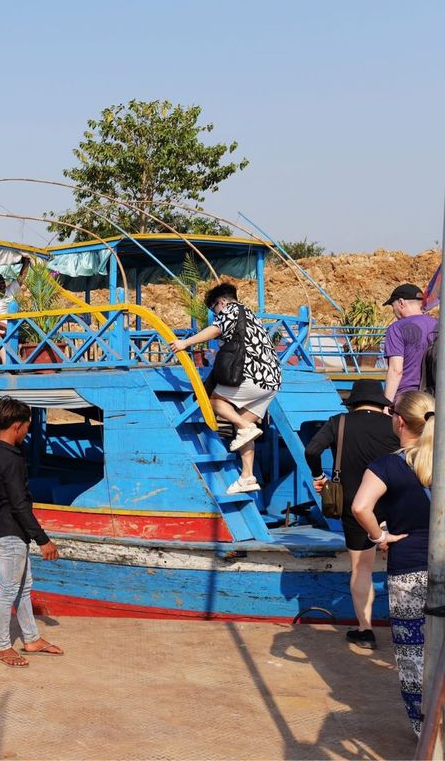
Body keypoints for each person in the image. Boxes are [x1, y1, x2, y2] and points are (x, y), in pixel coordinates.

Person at [351, 390, 435, 737]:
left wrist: (379, 537)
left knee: (413, 656)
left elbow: (360, 507)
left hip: (408, 568)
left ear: (398, 421)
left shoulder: (388, 465)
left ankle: (425, 733)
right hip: (441, 561)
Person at [304, 379, 400, 649]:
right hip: (393, 501)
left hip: (354, 504)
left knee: (362, 568)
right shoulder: (393, 424)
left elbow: (312, 449)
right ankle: (407, 625)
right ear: (381, 403)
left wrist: (318, 475)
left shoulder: (339, 422)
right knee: (402, 566)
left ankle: (365, 630)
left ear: (354, 402)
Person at [168, 282, 282, 494]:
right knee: (244, 430)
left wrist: (185, 343)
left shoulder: (232, 309)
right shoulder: (251, 316)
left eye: (214, 310)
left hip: (254, 376)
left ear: (221, 302)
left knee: (214, 401)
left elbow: (216, 329)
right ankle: (247, 477)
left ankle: (245, 427)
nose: (215, 314)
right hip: (272, 381)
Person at [0, 397, 63, 667]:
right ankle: (2, 646)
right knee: (8, 590)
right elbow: (19, 504)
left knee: (23, 588)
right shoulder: (10, 459)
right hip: (10, 531)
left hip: (5, 527)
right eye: (27, 427)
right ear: (16, 426)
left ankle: (31, 638)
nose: (27, 432)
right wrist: (44, 540)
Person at [382, 283, 438, 402]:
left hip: (407, 399)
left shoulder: (396, 328)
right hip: (434, 397)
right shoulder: (438, 325)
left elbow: (396, 370)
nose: (393, 310)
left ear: (401, 303)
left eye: (393, 305)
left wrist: (386, 404)